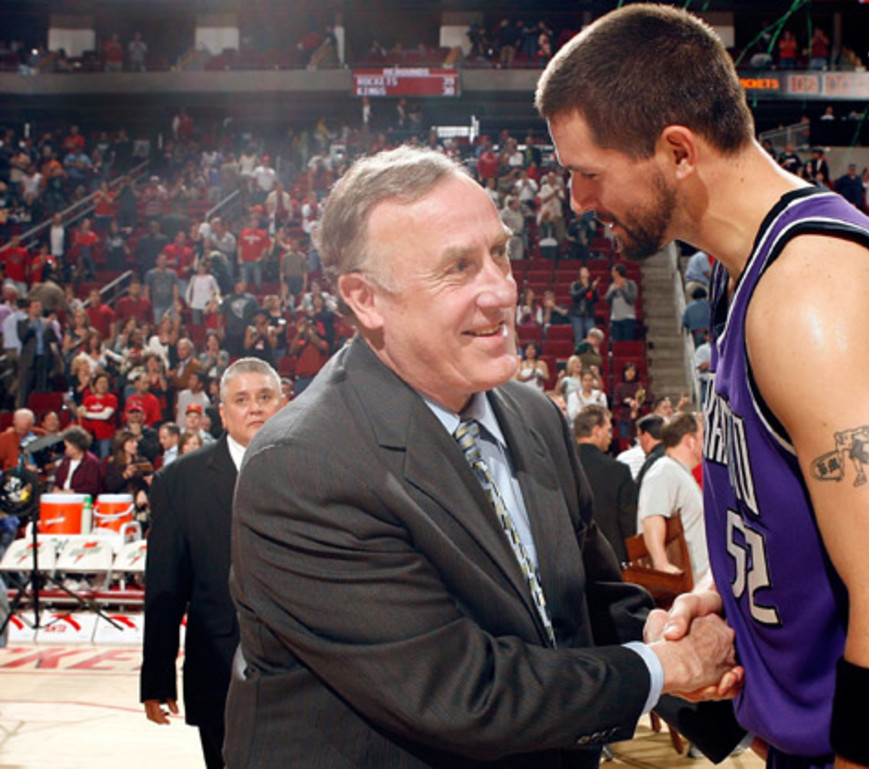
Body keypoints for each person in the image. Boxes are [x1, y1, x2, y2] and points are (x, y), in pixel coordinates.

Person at [537, 7, 869, 767]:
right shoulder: (745, 273)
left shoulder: (810, 298)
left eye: (588, 171)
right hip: (833, 725)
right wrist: (734, 598)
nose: (576, 199)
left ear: (676, 150)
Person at [223, 146, 742, 768]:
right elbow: (460, 693)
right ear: (365, 298)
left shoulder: (533, 415)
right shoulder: (302, 466)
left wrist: (680, 651)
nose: (501, 290)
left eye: (498, 253)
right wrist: (666, 666)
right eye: (458, 268)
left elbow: (591, 604)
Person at [141, 358, 286, 769]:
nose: (255, 408)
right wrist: (157, 675)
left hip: (311, 676)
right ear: (222, 413)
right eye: (241, 399)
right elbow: (166, 588)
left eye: (264, 397)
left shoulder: (319, 467)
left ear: (283, 403)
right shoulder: (179, 482)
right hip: (219, 670)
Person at [636, 411, 708, 583]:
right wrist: (662, 565)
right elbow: (652, 518)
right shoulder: (664, 470)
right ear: (690, 441)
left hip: (696, 577)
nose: (704, 444)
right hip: (685, 580)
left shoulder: (678, 472)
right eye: (702, 437)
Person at [574, 404, 638, 563]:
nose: (611, 436)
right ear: (596, 431)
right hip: (610, 558)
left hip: (572, 557)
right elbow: (628, 522)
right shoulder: (618, 470)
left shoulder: (560, 466)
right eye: (608, 430)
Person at [52, 426, 104, 496]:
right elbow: (58, 481)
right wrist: (56, 489)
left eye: (66, 445)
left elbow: (92, 488)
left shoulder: (91, 463)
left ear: (75, 446)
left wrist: (72, 492)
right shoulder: (65, 461)